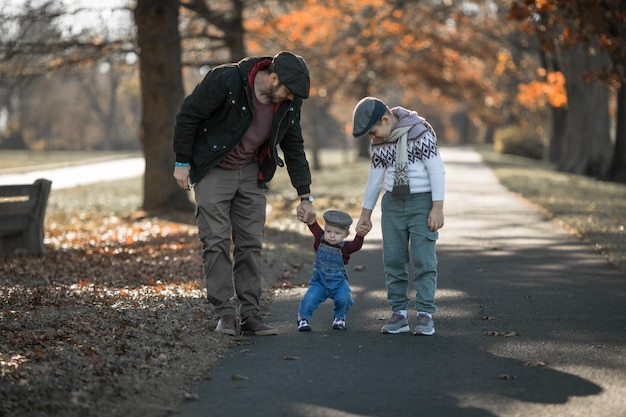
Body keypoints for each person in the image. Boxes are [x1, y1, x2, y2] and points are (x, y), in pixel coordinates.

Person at [172, 51, 316, 336]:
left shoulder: (289, 103)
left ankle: (250, 314)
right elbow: (188, 115)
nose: (290, 98)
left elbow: (294, 146)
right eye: (287, 91)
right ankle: (224, 313)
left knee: (251, 244)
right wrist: (181, 162)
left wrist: (305, 195)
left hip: (252, 172)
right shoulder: (226, 80)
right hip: (213, 168)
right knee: (215, 241)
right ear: (273, 78)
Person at [352, 97, 445, 336]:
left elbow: (436, 170)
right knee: (393, 260)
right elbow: (375, 179)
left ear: (385, 120)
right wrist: (366, 214)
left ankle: (425, 314)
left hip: (422, 202)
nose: (373, 138)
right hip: (393, 203)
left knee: (424, 259)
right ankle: (399, 314)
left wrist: (437, 207)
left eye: (374, 132)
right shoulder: (380, 143)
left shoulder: (419, 132)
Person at [297, 210, 367, 332]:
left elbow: (356, 245)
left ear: (346, 234)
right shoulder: (320, 239)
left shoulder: (345, 248)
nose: (332, 235)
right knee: (310, 298)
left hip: (338, 283)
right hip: (319, 282)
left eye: (337, 233)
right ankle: (303, 319)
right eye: (328, 231)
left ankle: (339, 318)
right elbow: (313, 226)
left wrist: (360, 235)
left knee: (344, 298)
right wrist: (310, 221)